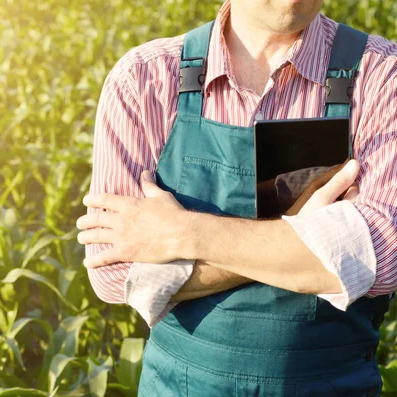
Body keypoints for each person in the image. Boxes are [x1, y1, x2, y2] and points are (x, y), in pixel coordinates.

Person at [76, 0, 397, 395]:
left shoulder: (382, 76)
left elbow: (383, 259)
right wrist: (312, 240)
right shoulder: (144, 79)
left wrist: (184, 233)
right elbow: (113, 274)